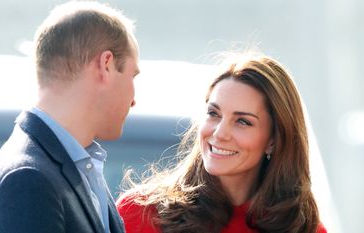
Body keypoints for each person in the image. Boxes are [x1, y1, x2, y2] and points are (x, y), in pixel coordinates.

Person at [0, 1, 139, 233]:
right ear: (106, 65)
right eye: (133, 76)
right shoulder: (27, 180)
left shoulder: (75, 166)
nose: (133, 99)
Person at [116, 53, 327, 233]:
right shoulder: (140, 215)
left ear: (274, 140)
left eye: (242, 122)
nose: (220, 133)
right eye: (213, 114)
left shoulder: (304, 228)